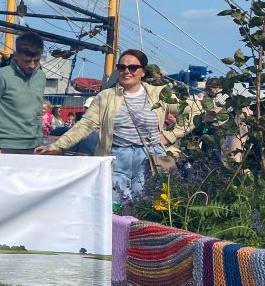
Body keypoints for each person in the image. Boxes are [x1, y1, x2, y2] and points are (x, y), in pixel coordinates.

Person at [34, 49, 193, 203]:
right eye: (121, 67)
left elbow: (193, 111)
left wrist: (169, 135)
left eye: (132, 67)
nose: (126, 71)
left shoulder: (159, 94)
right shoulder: (106, 96)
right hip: (116, 156)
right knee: (113, 206)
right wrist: (58, 146)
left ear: (143, 72)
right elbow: (85, 125)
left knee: (147, 206)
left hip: (150, 158)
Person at [0, 31, 45, 154]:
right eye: (27, 61)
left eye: (36, 60)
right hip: (4, 147)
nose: (32, 65)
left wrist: (40, 141)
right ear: (16, 55)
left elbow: (37, 112)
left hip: (35, 146)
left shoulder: (41, 76)